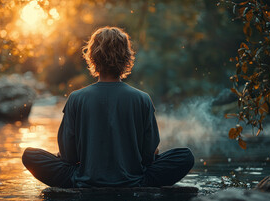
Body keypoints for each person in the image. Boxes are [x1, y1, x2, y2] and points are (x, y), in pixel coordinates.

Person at [22, 26, 194, 188]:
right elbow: (148, 157)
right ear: (126, 58)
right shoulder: (142, 99)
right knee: (185, 157)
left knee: (30, 156)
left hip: (84, 180)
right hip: (134, 180)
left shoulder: (76, 98)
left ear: (92, 57)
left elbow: (68, 157)